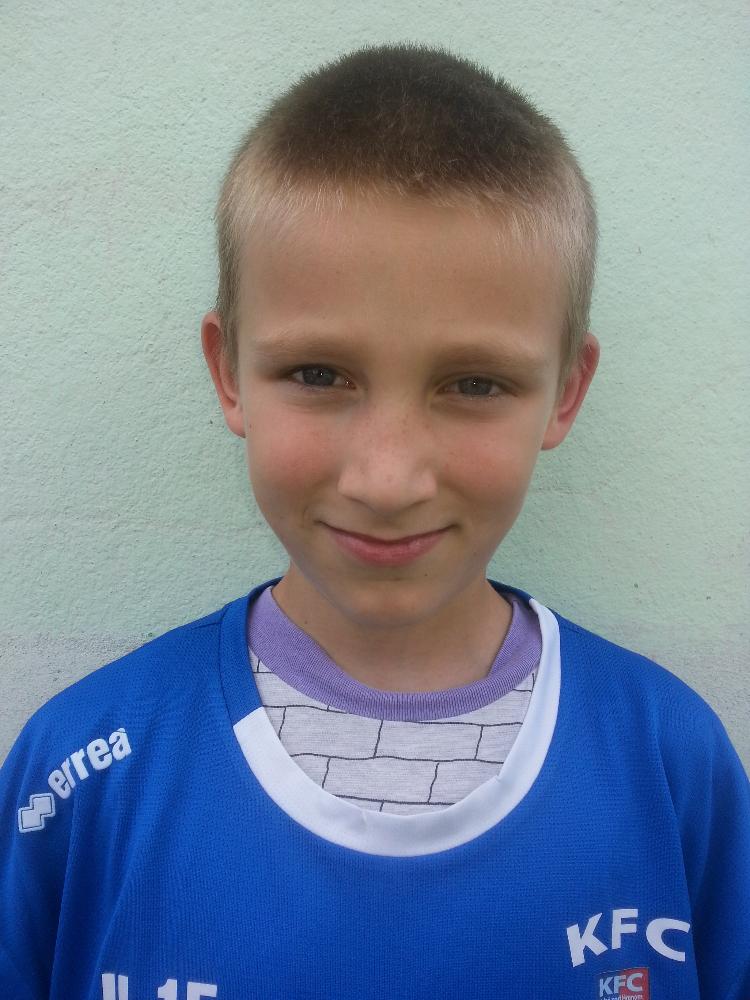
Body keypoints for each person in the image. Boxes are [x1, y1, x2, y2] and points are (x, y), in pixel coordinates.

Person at [1, 40, 748, 1000]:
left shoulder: (672, 762)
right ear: (229, 373)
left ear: (566, 392)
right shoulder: (80, 772)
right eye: (319, 374)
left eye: (474, 384)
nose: (388, 479)